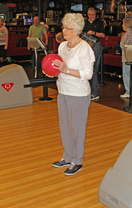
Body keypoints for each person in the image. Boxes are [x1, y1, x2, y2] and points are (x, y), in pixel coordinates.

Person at [48, 13, 95, 176]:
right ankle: (67, 157)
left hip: (78, 94)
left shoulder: (84, 48)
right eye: (63, 27)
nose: (63, 30)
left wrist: (65, 70)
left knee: (77, 128)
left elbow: (88, 74)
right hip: (63, 91)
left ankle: (78, 160)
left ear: (76, 30)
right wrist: (53, 72)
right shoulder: (62, 47)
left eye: (67, 28)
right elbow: (59, 69)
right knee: (65, 127)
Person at [83, 7, 105, 100]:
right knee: (85, 68)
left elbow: (103, 35)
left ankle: (95, 93)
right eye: (91, 15)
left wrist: (94, 33)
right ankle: (86, 91)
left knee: (94, 68)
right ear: (88, 15)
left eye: (94, 15)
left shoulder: (99, 23)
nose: (93, 16)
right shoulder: (84, 23)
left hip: (96, 45)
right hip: (86, 46)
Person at [119, 18, 132, 98]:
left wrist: (122, 38)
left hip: (126, 57)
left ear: (126, 25)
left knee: (126, 74)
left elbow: (122, 46)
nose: (122, 25)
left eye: (123, 24)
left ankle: (128, 91)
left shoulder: (126, 34)